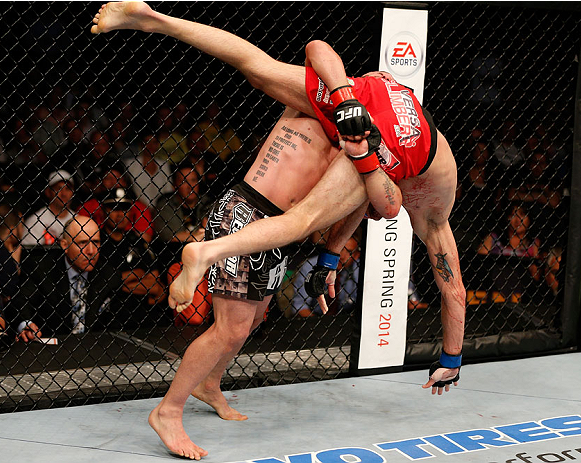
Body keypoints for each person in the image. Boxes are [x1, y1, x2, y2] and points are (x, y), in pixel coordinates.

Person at [92, 2, 465, 459]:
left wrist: (329, 257)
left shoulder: (340, 110)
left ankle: (209, 383)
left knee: (252, 318)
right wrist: (452, 359)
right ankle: (168, 410)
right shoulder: (355, 134)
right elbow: (381, 205)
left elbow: (365, 201)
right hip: (249, 216)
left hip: (272, 228)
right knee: (230, 329)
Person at [11, 215, 122, 337]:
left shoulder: (109, 275)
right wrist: (26, 324)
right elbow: (21, 302)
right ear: (65, 245)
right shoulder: (41, 269)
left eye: (95, 242)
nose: (91, 251)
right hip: (51, 346)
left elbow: (118, 320)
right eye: (83, 243)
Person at [98, 187, 166, 329]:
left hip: (142, 316)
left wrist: (117, 283)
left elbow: (156, 288)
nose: (119, 214)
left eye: (124, 208)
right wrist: (137, 274)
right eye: (113, 208)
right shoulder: (97, 242)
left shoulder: (138, 242)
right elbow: (99, 286)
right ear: (104, 210)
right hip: (107, 316)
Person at [155, 162, 211, 244]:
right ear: (175, 185)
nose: (190, 186)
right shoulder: (165, 206)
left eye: (193, 180)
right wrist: (199, 236)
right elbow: (171, 236)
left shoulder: (208, 202)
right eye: (184, 181)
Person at [21, 170, 76, 246]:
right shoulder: (35, 222)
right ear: (48, 192)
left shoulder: (78, 221)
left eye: (68, 189)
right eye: (59, 189)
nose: (64, 193)